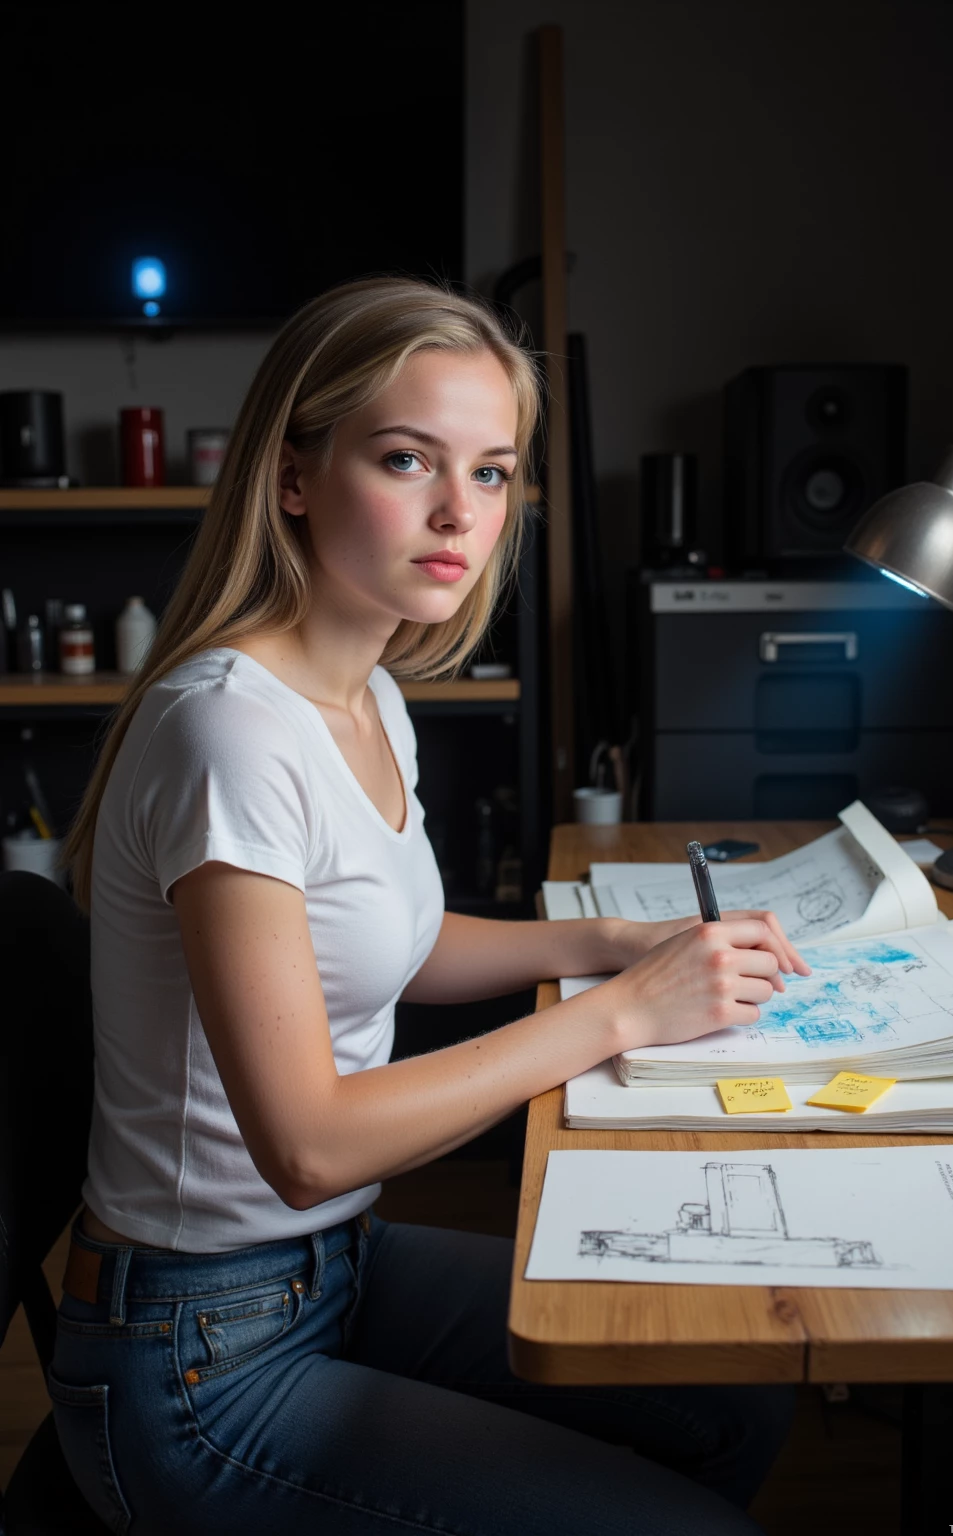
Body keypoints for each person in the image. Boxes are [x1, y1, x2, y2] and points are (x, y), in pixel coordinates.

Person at [52, 277, 807, 1535]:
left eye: (495, 471)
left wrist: (616, 940)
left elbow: (391, 945)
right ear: (294, 476)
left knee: (733, 1398)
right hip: (193, 1354)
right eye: (409, 460)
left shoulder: (369, 690)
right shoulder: (231, 734)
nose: (462, 512)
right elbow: (310, 1146)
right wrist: (619, 1011)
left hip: (333, 1271)